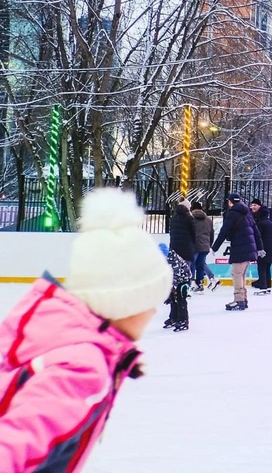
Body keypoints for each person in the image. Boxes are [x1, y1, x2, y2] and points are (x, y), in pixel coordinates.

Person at [0, 188, 171, 470]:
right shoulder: (82, 366)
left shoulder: (68, 344)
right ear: (124, 303)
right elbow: (17, 439)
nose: (154, 310)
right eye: (150, 301)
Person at [212, 193, 263, 311]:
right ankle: (243, 299)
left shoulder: (232, 214)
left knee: (237, 275)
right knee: (241, 275)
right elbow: (256, 232)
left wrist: (215, 247)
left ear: (230, 202)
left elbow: (224, 231)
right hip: (249, 250)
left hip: (240, 250)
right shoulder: (247, 213)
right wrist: (260, 248)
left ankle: (239, 301)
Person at [159, 242, 192, 331]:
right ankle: (174, 318)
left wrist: (171, 289)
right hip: (174, 281)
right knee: (173, 299)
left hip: (184, 280)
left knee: (180, 299)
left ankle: (183, 320)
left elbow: (175, 275)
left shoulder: (173, 259)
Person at [251, 199, 272, 295]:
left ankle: (263, 287)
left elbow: (258, 237)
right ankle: (268, 286)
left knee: (261, 267)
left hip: (263, 247)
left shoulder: (260, 224)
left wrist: (258, 248)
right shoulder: (271, 223)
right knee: (267, 267)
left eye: (254, 205)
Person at [190, 200, 217, 292]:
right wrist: (209, 244)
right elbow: (212, 234)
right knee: (201, 265)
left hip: (194, 245)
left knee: (192, 265)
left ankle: (192, 283)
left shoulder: (190, 218)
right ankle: (200, 284)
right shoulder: (209, 220)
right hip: (205, 246)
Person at [169, 199, 196, 268]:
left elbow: (171, 233)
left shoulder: (173, 218)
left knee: (176, 270)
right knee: (186, 270)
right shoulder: (190, 218)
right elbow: (194, 233)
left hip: (175, 248)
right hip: (187, 249)